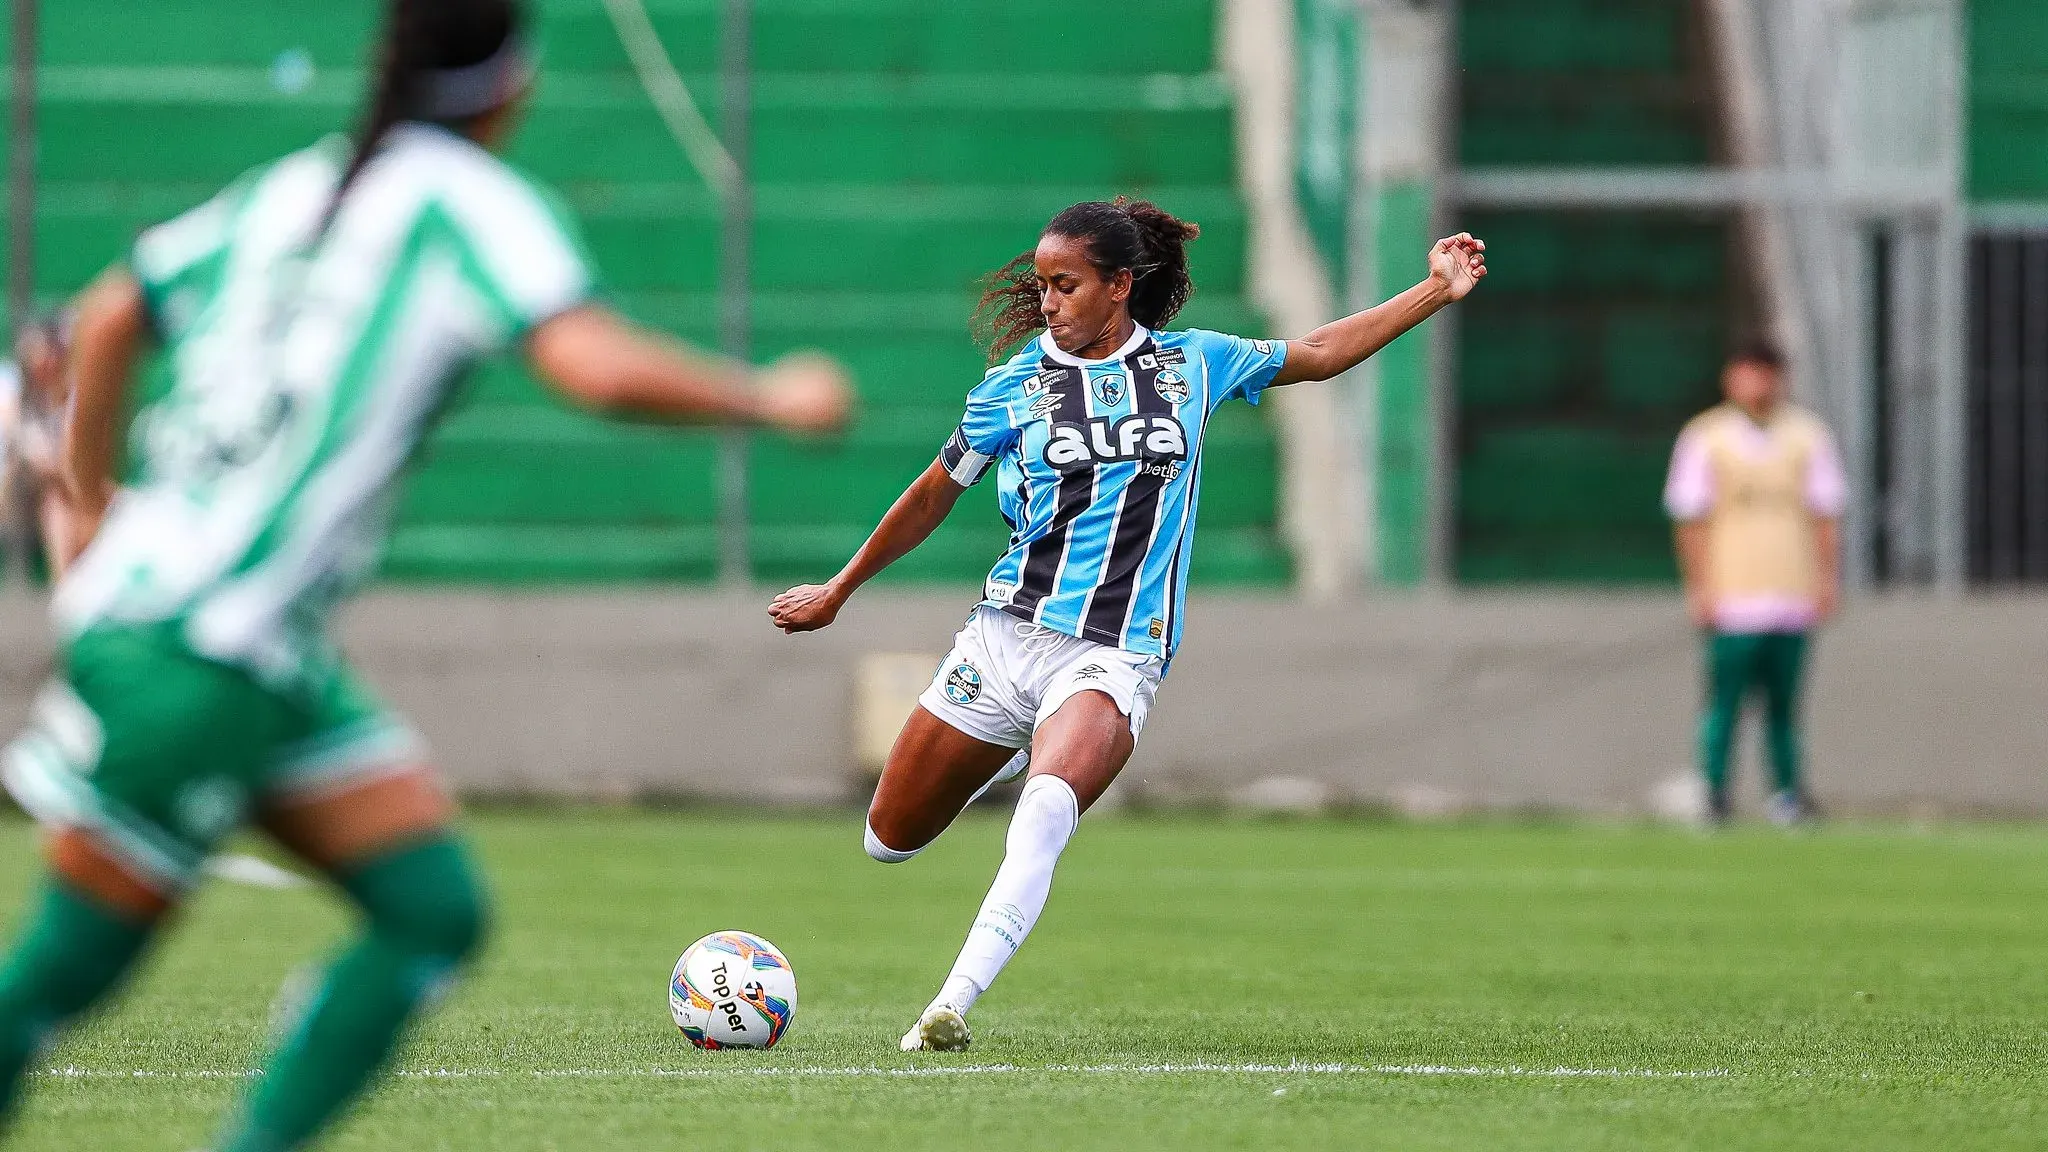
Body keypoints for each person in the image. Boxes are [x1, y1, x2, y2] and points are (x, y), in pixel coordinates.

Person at [0, 0, 850, 1146]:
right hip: (200, 657)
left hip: (230, 642)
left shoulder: (291, 188)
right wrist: (770, 397)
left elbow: (110, 315)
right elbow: (592, 368)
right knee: (61, 980)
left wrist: (91, 503)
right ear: (512, 85)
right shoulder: (469, 205)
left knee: (429, 907)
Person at [770, 198, 1485, 1051]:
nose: (1048, 302)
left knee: (1046, 812)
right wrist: (841, 588)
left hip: (1114, 653)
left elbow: (1322, 352)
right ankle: (1020, 750)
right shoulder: (1012, 388)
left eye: (1065, 285)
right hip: (1003, 642)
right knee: (888, 840)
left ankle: (948, 1007)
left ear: (1118, 285)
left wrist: (1435, 288)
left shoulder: (1196, 364)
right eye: (1040, 286)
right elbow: (932, 493)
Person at [1664, 339, 1844, 827]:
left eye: (1766, 372)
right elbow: (1690, 517)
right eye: (1749, 372)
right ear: (1731, 378)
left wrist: (1827, 579)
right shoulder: (1706, 437)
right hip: (1733, 598)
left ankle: (1787, 795)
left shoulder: (1808, 437)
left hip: (1791, 594)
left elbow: (1826, 514)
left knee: (1784, 706)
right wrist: (1699, 586)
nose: (1758, 383)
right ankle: (1714, 793)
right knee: (1724, 702)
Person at [0, 316, 88, 582]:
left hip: (54, 488)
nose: (45, 362)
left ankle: (69, 591)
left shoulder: (74, 391)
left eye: (53, 353)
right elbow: (12, 436)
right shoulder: (10, 384)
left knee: (57, 504)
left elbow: (74, 457)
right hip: (15, 484)